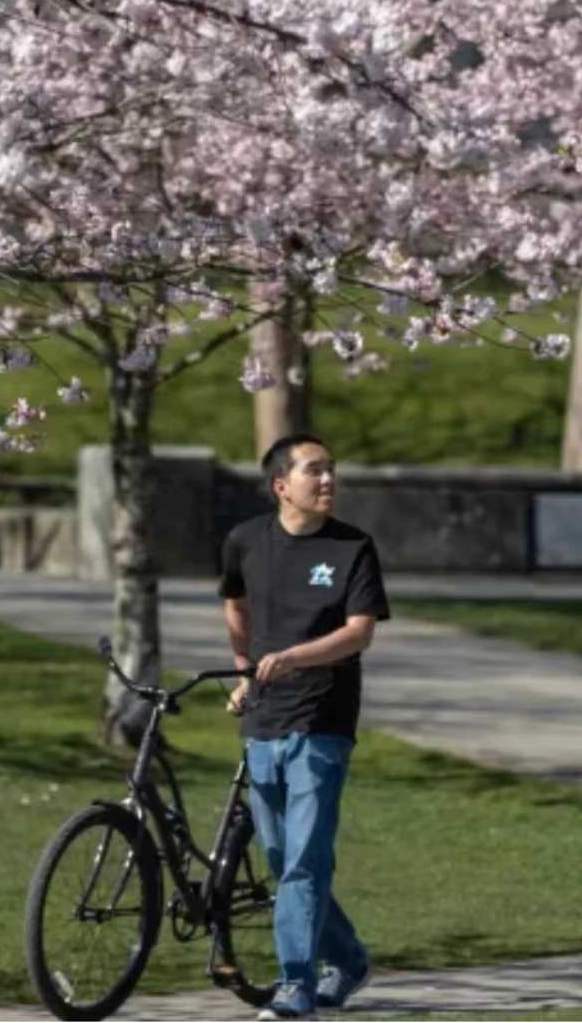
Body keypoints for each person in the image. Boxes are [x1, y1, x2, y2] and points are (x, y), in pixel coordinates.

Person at [219, 434, 388, 1021]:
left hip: (324, 720)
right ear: (281, 485)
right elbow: (235, 605)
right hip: (263, 720)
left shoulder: (353, 548)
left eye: (332, 471)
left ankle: (295, 985)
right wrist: (246, 674)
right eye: (314, 471)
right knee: (279, 856)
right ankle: (349, 959)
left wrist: (296, 657)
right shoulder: (244, 541)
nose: (327, 481)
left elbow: (360, 631)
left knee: (305, 860)